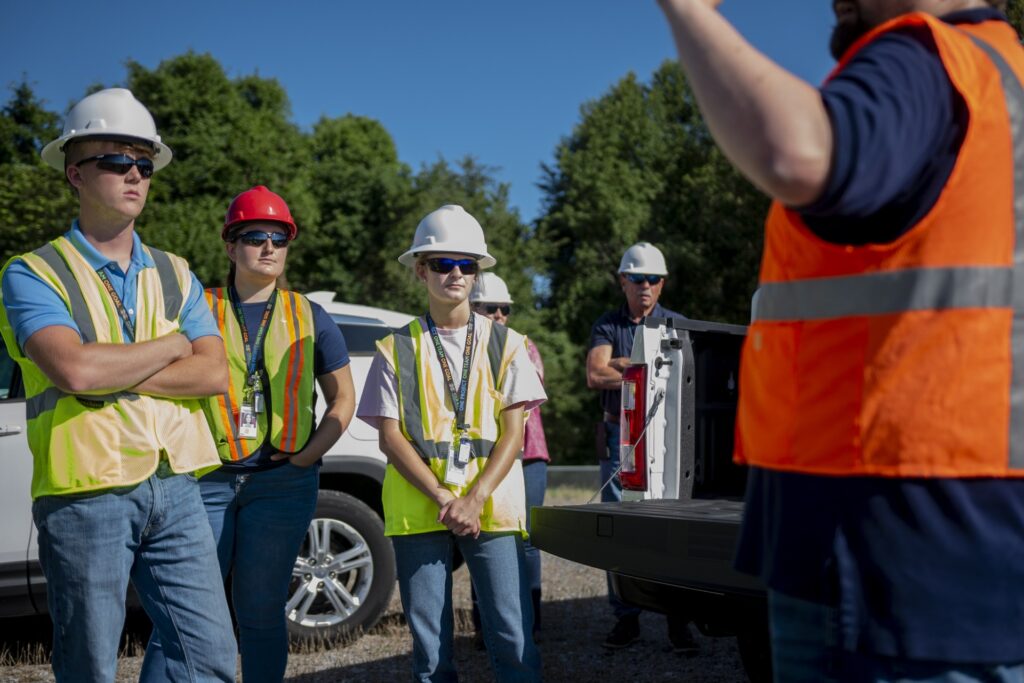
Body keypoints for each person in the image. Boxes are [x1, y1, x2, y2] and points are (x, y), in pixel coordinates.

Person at [657, 0, 1024, 680]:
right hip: (972, 544)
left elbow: (794, 152)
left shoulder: (927, 61)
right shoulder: (1007, 81)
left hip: (885, 550)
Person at [0, 87, 236, 682]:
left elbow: (213, 373)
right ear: (75, 173)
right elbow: (74, 371)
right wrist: (173, 344)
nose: (134, 174)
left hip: (175, 483)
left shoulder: (174, 269)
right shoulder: (32, 272)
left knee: (207, 656)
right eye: (116, 161)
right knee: (90, 666)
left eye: (144, 164)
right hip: (86, 491)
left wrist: (116, 369)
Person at [145, 186, 356, 682]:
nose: (268, 246)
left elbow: (342, 399)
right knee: (182, 614)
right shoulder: (198, 308)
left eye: (278, 237)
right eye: (254, 235)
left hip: (283, 486)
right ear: (229, 245)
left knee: (261, 613)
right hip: (204, 482)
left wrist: (308, 458)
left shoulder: (310, 314)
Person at [357, 204, 544, 682]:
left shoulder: (508, 344)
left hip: (491, 507)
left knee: (512, 635)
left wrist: (474, 497)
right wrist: (443, 496)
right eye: (442, 263)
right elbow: (390, 437)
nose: (455, 273)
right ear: (421, 270)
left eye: (467, 264)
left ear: (478, 273)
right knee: (431, 649)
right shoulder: (395, 347)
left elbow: (513, 432)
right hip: (420, 508)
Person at [585, 241, 697, 653]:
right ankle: (626, 618)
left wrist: (624, 366)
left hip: (668, 439)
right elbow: (596, 374)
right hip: (620, 438)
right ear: (623, 282)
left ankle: (677, 621)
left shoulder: (678, 324)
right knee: (618, 529)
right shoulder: (608, 325)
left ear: (662, 284)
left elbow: (688, 375)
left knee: (671, 528)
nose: (645, 286)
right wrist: (650, 369)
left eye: (652, 279)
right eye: (637, 279)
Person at [468, 272, 550, 645]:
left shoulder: (522, 346)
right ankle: (486, 625)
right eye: (491, 308)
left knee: (528, 540)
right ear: (473, 308)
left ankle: (530, 622)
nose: (500, 314)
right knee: (481, 535)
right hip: (484, 457)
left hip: (527, 455)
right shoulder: (462, 348)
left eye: (505, 309)